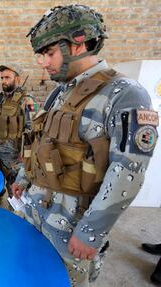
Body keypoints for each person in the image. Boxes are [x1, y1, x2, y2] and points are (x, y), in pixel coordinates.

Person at [12, 5, 159, 286]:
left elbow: (128, 171)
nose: (43, 63)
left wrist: (92, 231)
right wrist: (23, 178)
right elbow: (42, 142)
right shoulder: (60, 91)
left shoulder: (126, 94)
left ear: (78, 44)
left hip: (70, 229)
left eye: (49, 53)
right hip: (35, 214)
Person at [0, 64, 37, 205]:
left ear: (17, 79)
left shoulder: (27, 100)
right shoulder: (0, 98)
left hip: (13, 156)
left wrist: (26, 154)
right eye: (2, 78)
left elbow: (33, 129)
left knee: (15, 191)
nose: (4, 81)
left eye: (7, 77)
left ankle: (15, 216)